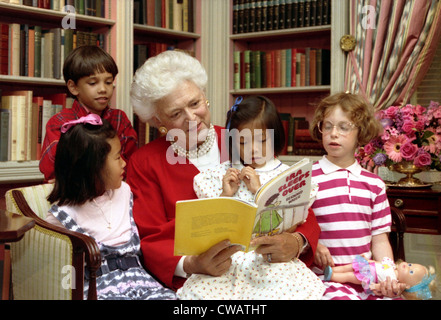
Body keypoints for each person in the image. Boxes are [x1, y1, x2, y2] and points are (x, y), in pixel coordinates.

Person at [127, 50, 322, 291]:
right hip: (206, 280)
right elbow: (150, 236)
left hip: (264, 270)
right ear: (158, 121)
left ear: (205, 96)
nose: (191, 118)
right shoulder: (144, 162)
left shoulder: (241, 138)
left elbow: (287, 193)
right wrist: (191, 264)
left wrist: (296, 241)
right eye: (176, 113)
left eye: (195, 103)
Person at [177, 95, 324, 299]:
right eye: (242, 142)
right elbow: (208, 229)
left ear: (276, 136)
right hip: (227, 263)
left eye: (262, 140)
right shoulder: (217, 177)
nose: (253, 149)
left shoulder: (287, 177)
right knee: (201, 293)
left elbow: (290, 226)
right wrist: (225, 195)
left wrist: (260, 191)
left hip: (268, 261)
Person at [45, 114, 176, 300]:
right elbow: (58, 274)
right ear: (92, 168)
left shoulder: (124, 192)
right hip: (98, 291)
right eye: (117, 157)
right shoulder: (63, 217)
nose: (124, 162)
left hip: (143, 284)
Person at [309, 92, 407, 300]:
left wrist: (387, 275)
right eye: (327, 126)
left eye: (344, 127)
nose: (334, 133)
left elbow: (380, 240)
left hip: (367, 279)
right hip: (325, 280)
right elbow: (295, 228)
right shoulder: (307, 178)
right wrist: (313, 244)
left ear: (360, 133)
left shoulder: (374, 184)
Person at [39, 45, 137, 182]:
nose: (103, 89)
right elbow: (54, 169)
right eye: (92, 83)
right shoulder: (60, 122)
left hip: (114, 195)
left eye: (108, 82)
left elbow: (128, 163)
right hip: (73, 198)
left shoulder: (120, 119)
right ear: (73, 87)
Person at [323, 255, 437, 300]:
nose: (407, 266)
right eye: (411, 265)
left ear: (407, 285)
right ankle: (333, 269)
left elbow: (381, 285)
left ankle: (332, 276)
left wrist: (374, 286)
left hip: (368, 276)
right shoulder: (392, 265)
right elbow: (378, 264)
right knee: (348, 267)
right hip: (367, 266)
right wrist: (368, 261)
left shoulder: (392, 282)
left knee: (349, 276)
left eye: (410, 271)